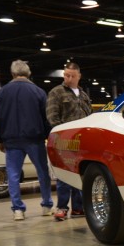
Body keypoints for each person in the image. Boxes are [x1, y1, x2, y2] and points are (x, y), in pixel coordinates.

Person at [0, 60, 54, 221]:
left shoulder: (3, 92)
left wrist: (0, 139)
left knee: (13, 175)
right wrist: (48, 136)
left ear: (13, 74)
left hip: (11, 140)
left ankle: (18, 210)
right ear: (29, 73)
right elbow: (46, 118)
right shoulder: (39, 92)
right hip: (35, 139)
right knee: (42, 172)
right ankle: (47, 206)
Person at [46, 62, 92, 221]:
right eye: (66, 75)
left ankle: (78, 208)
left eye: (72, 76)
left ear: (79, 76)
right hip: (64, 141)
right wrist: (62, 136)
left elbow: (89, 116)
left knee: (79, 175)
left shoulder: (84, 95)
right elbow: (52, 117)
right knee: (64, 176)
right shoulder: (56, 93)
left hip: (81, 142)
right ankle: (62, 207)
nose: (69, 78)